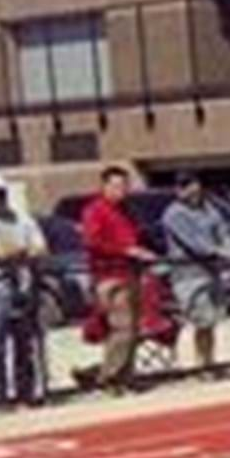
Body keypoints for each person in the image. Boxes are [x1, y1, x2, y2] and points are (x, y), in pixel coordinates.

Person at [0, 175, 47, 406]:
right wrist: (23, 252)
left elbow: (41, 248)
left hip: (23, 287)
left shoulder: (23, 219)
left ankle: (26, 390)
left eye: (0, 193)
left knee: (25, 341)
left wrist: (18, 252)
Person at [80, 166, 156, 393]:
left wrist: (143, 251)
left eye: (124, 185)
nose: (121, 190)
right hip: (109, 276)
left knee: (132, 328)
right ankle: (108, 377)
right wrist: (125, 250)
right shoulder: (94, 210)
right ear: (104, 186)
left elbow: (137, 237)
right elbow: (92, 242)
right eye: (115, 185)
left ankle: (125, 376)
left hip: (131, 273)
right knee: (121, 328)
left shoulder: (127, 211)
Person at [162, 172, 230, 376]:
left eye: (195, 186)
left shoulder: (209, 209)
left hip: (211, 273)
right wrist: (217, 251)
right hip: (189, 276)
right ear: (178, 191)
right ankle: (201, 365)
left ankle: (210, 361)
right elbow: (194, 243)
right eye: (186, 187)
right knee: (201, 321)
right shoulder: (173, 214)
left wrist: (228, 249)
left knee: (212, 320)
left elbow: (222, 230)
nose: (193, 192)